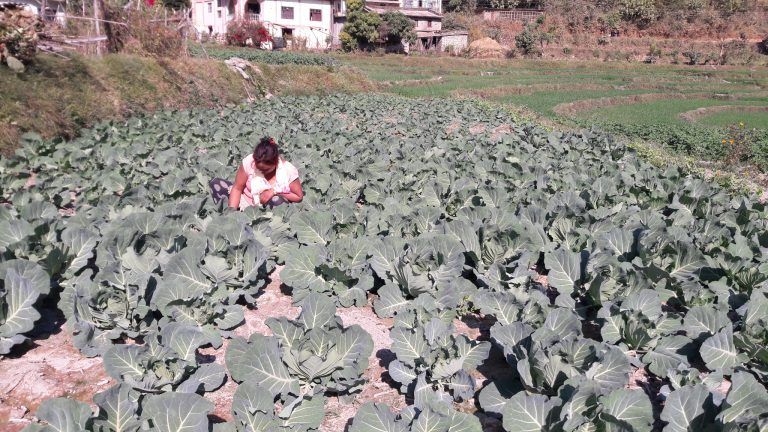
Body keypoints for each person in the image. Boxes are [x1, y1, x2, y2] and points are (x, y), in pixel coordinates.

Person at [209, 137, 304, 209]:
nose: (261, 171)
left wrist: (274, 192)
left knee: (278, 200)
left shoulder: (288, 170)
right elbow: (237, 188)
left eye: (266, 170)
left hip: (268, 210)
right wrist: (232, 213)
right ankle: (235, 215)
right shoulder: (249, 161)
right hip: (246, 202)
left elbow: (298, 197)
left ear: (275, 162)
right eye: (258, 168)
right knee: (216, 183)